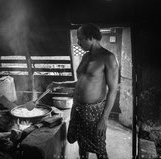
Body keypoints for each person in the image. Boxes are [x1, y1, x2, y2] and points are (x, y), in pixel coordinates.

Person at [47, 23, 119, 159]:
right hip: (77, 108)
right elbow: (81, 82)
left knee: (99, 147)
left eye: (80, 39)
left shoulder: (108, 58)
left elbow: (113, 90)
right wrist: (58, 84)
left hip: (94, 112)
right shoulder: (85, 57)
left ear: (91, 37)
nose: (78, 43)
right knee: (81, 142)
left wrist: (104, 119)